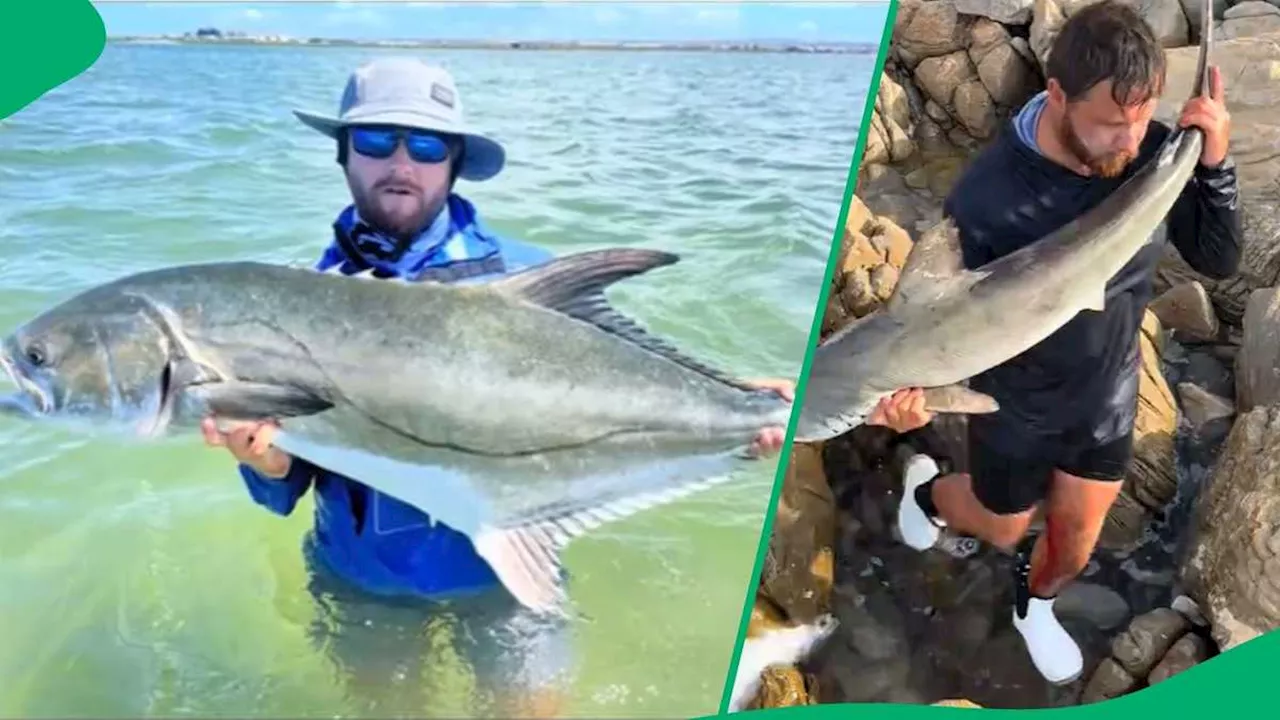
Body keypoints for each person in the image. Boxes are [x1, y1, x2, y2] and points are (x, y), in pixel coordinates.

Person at [197, 56, 793, 713]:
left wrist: (737, 404)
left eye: (424, 145)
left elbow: (618, 386)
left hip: (508, 583)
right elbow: (284, 489)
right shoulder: (291, 301)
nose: (400, 163)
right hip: (363, 581)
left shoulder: (523, 277)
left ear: (453, 160)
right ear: (343, 155)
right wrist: (266, 463)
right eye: (375, 141)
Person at [881, 3, 1241, 686]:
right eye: (1111, 123)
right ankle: (927, 494)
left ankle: (1033, 602)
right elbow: (928, 325)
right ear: (1056, 96)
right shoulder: (985, 199)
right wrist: (910, 395)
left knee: (1072, 546)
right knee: (1006, 527)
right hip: (1009, 408)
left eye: (1142, 118)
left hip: (1104, 398)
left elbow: (1218, 259)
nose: (1130, 141)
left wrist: (1213, 162)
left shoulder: (1156, 153)